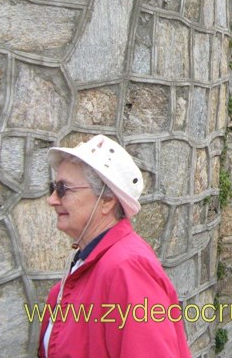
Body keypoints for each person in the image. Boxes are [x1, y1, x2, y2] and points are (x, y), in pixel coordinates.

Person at [40, 135, 191, 357]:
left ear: (107, 200)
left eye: (63, 189)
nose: (52, 199)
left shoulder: (128, 268)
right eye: (53, 187)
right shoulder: (92, 260)